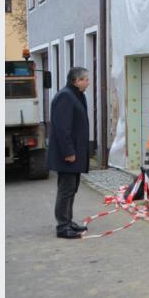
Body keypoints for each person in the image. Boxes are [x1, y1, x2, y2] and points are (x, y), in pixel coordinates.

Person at [47, 67, 91, 239]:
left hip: (75, 153)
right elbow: (62, 128)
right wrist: (69, 152)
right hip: (68, 155)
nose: (88, 82)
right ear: (77, 81)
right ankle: (62, 227)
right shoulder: (65, 96)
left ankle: (68, 221)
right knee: (66, 189)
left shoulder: (76, 95)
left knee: (72, 189)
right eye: (86, 79)